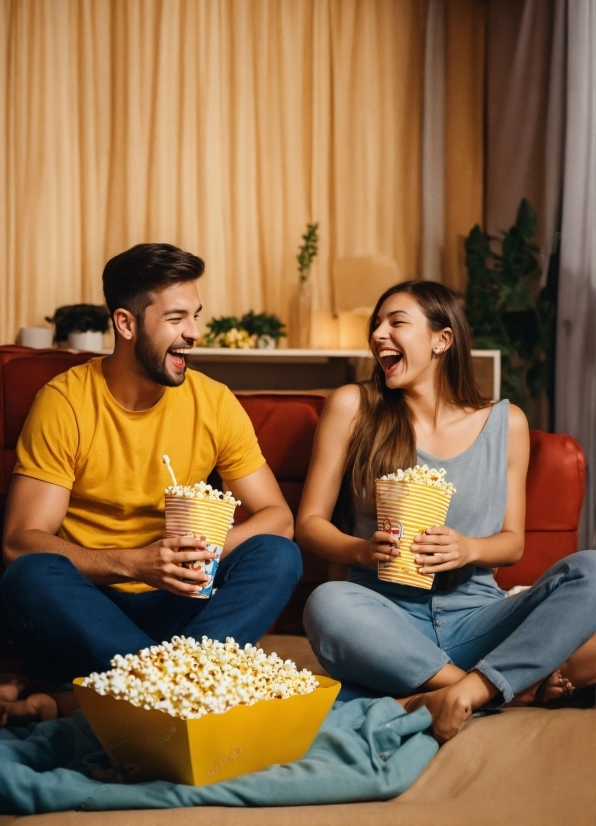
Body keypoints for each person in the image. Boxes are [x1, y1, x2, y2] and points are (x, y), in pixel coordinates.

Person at [0, 243, 302, 721]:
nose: (194, 333)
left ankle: (126, 692)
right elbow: (19, 542)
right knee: (29, 574)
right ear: (126, 323)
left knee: (278, 554)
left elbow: (278, 517)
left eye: (195, 316)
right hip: (92, 604)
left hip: (183, 603)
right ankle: (189, 689)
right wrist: (135, 564)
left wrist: (213, 549)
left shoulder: (214, 402)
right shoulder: (65, 402)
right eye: (177, 318)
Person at [297, 280, 596, 742]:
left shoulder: (506, 422)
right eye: (376, 325)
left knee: (593, 570)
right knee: (326, 604)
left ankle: (467, 686)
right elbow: (309, 524)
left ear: (442, 339)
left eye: (396, 322)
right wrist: (362, 551)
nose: (379, 334)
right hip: (383, 619)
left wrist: (468, 547)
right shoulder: (353, 406)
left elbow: (512, 543)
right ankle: (495, 690)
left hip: (477, 617)